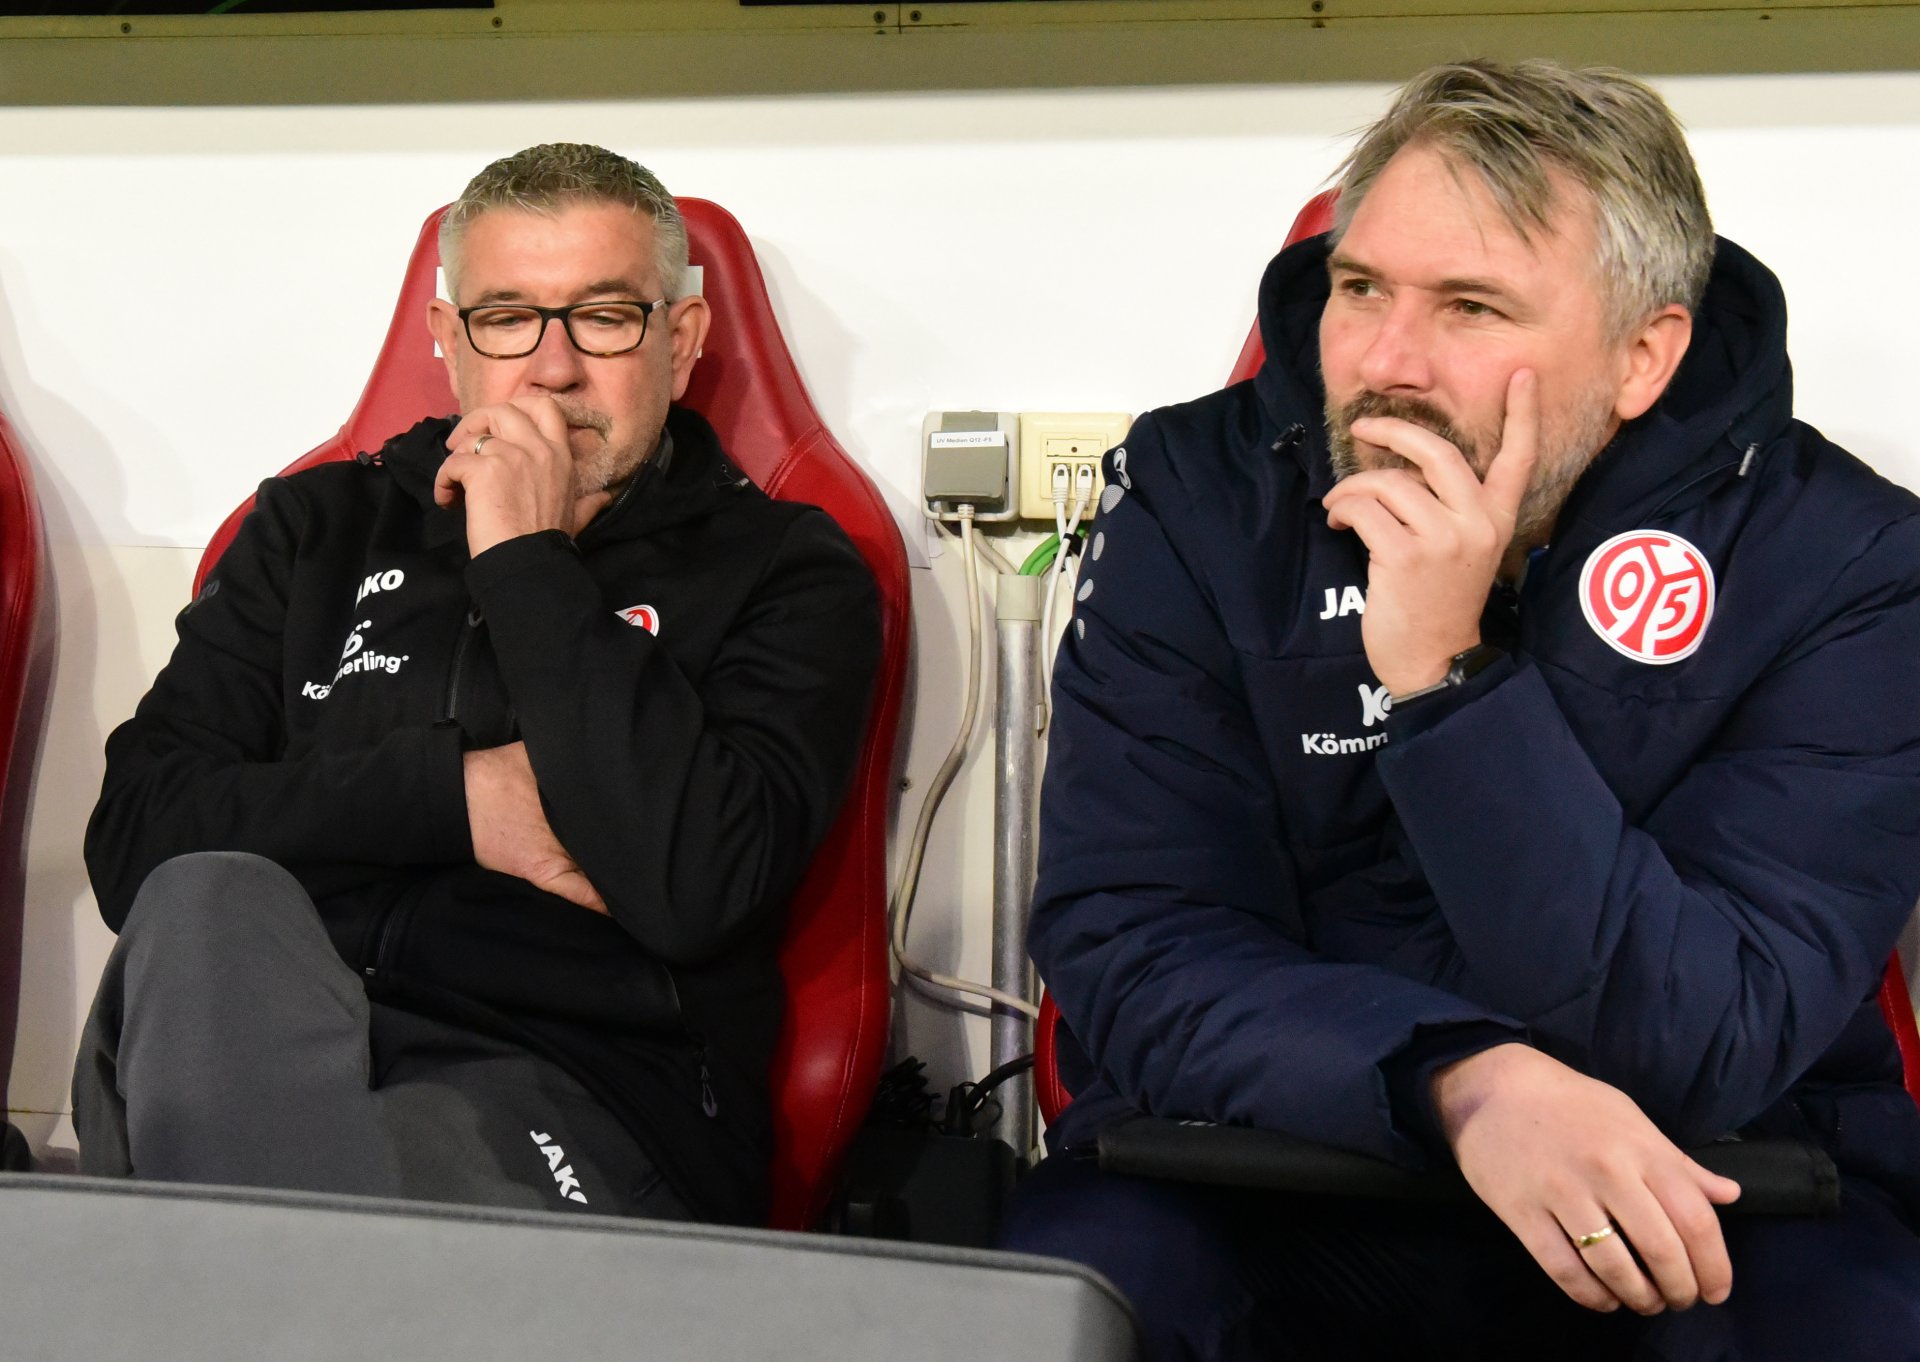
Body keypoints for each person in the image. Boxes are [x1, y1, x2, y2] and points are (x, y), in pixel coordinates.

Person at [1004, 60, 1920, 1360]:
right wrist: (1461, 1078)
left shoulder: (1851, 563)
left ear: (1641, 354)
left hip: (1709, 1172)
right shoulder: (1198, 499)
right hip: (1273, 1153)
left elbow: (1711, 1026)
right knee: (1058, 1303)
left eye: (1473, 307)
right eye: (1361, 287)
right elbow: (1136, 938)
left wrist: (1449, 674)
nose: (1385, 361)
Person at [74, 143, 881, 1227]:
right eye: (507, 319)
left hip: (571, 1091)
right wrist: (462, 802)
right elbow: (138, 842)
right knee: (205, 900)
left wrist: (523, 558)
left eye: (604, 316)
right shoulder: (311, 529)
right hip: (260, 1053)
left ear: (680, 341)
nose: (552, 368)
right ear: (450, 343)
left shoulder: (787, 569)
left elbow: (698, 880)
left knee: (267, 1234)